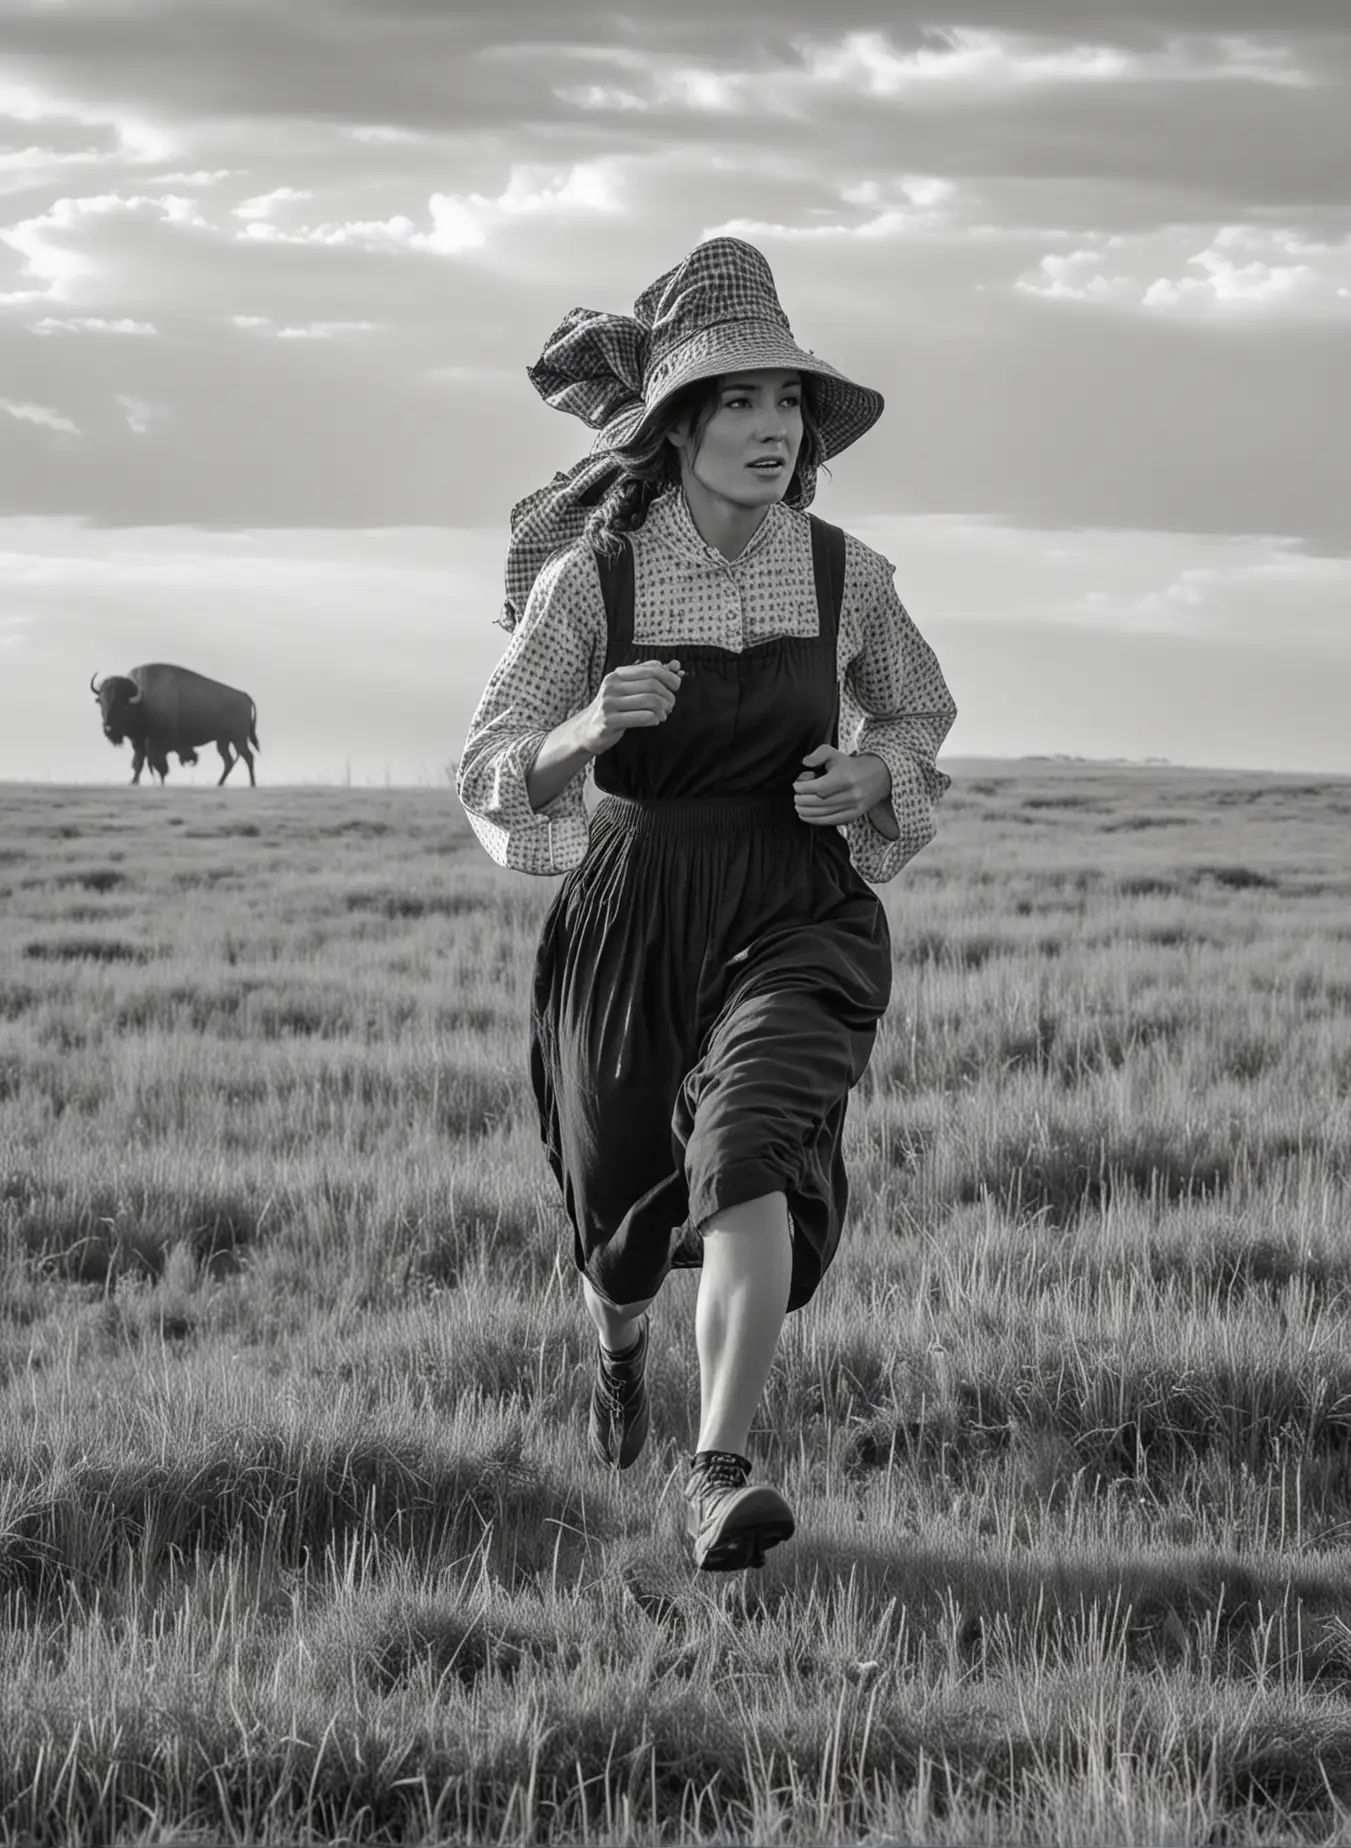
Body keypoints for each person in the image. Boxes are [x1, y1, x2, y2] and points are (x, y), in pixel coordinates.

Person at [456, 237, 956, 1572]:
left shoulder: (849, 574)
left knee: (751, 1156)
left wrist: (873, 773)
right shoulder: (591, 584)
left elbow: (920, 711)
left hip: (800, 906)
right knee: (621, 1222)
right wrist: (584, 735)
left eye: (789, 403)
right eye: (738, 401)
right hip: (635, 906)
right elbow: (489, 763)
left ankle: (715, 1471)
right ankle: (618, 1346)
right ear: (676, 423)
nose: (771, 429)